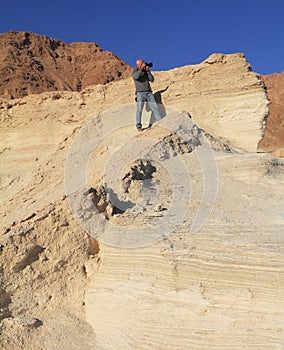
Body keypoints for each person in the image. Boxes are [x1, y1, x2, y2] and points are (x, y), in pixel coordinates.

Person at [132, 59, 162, 131]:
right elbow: (136, 77)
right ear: (138, 65)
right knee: (139, 109)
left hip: (149, 92)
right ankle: (138, 125)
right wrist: (142, 69)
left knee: (154, 107)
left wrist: (148, 71)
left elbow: (152, 80)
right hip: (140, 93)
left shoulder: (145, 72)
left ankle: (160, 121)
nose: (144, 64)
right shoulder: (135, 72)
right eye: (142, 63)